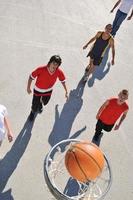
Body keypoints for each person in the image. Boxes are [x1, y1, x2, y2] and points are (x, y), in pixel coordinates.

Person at [27, 55, 68, 121]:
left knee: (45, 102)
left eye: (57, 64)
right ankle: (32, 112)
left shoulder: (58, 72)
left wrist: (66, 91)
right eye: (53, 63)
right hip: (38, 90)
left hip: (48, 91)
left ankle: (40, 103)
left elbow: (63, 81)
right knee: (35, 105)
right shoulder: (41, 69)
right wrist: (28, 87)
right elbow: (31, 77)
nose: (55, 66)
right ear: (50, 62)